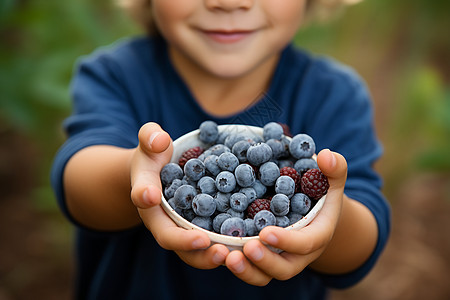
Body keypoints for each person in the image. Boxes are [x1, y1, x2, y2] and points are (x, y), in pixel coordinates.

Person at [51, 0, 391, 299]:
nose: (229, 2)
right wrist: (134, 175)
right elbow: (77, 184)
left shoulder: (333, 97)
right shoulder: (116, 76)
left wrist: (328, 221)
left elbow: (362, 244)